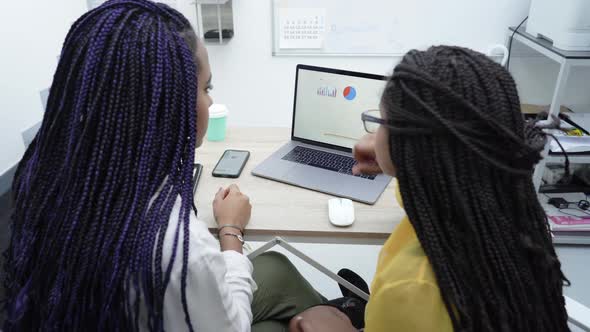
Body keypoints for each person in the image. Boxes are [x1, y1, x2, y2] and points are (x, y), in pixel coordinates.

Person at [2, 1, 321, 331]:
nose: (210, 101)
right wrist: (230, 231)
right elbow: (232, 326)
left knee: (277, 267)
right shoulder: (181, 249)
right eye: (206, 88)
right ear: (170, 104)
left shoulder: (42, 180)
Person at [290, 46, 570, 331]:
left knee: (312, 314)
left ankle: (354, 312)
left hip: (400, 315)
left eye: (381, 123)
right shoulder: (511, 213)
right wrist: (396, 160)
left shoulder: (410, 285)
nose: (373, 134)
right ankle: (356, 307)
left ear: (411, 145)